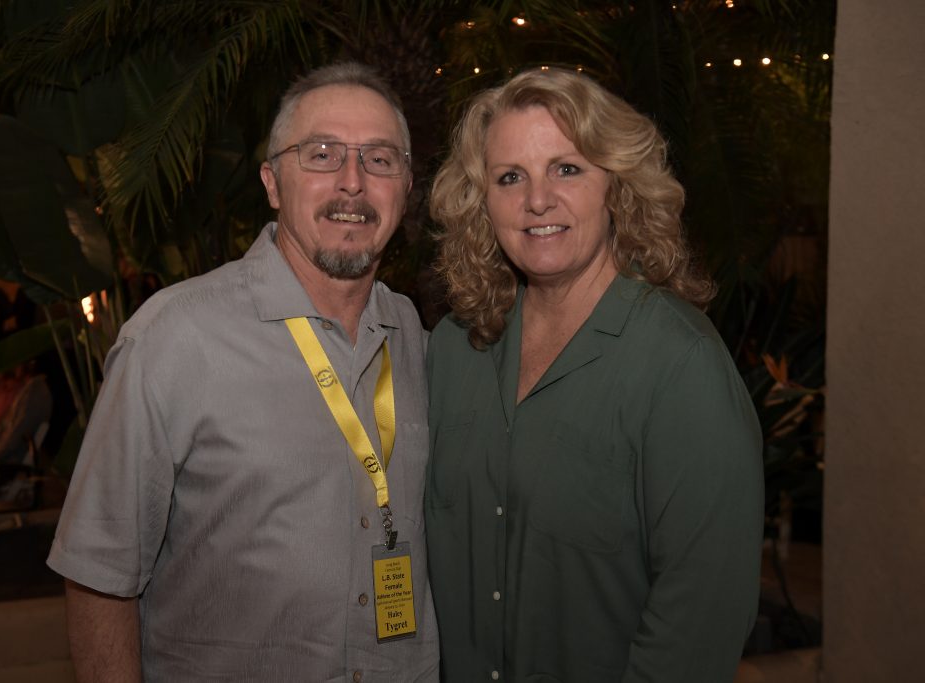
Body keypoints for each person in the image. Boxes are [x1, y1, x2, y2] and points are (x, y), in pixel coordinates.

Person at [47, 62, 439, 681]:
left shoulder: (415, 338)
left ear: (406, 187)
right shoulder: (174, 339)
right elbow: (100, 575)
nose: (353, 182)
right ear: (273, 183)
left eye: (380, 159)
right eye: (322, 155)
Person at [426, 68, 764, 682]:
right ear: (482, 202)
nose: (537, 200)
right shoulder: (455, 348)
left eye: (567, 168)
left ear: (617, 186)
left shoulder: (679, 364)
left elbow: (700, 620)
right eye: (510, 177)